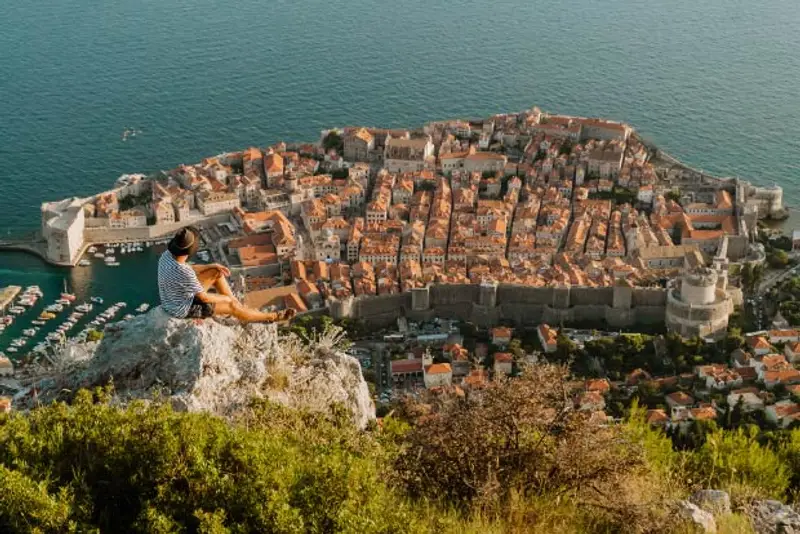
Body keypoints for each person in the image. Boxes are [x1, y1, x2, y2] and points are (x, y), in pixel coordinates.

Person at [157, 227, 296, 323]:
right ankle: (271, 316)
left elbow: (188, 268)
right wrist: (226, 299)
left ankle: (238, 306)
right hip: (182, 309)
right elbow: (203, 298)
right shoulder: (184, 272)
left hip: (172, 299)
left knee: (217, 272)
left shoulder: (167, 256)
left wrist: (210, 266)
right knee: (232, 306)